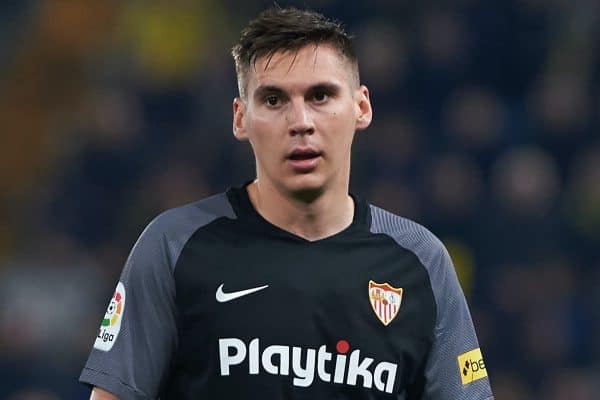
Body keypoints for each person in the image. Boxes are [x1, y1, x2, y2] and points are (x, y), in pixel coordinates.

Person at [80, 7, 494, 400]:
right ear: (241, 118)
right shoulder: (173, 246)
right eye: (274, 100)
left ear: (361, 107)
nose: (300, 122)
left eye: (320, 95)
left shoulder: (421, 261)